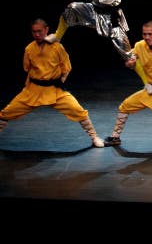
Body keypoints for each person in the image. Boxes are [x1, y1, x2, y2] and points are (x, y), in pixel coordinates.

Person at [45, 0, 152, 92]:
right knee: (71, 9)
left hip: (111, 17)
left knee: (128, 54)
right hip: (93, 10)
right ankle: (57, 36)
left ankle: (147, 83)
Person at [1, 19, 104, 148]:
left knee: (77, 110)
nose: (37, 34)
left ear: (46, 30)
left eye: (39, 31)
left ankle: (94, 136)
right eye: (34, 32)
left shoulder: (57, 47)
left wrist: (59, 82)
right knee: (6, 112)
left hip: (54, 90)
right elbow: (27, 68)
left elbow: (66, 68)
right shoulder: (29, 48)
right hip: (33, 90)